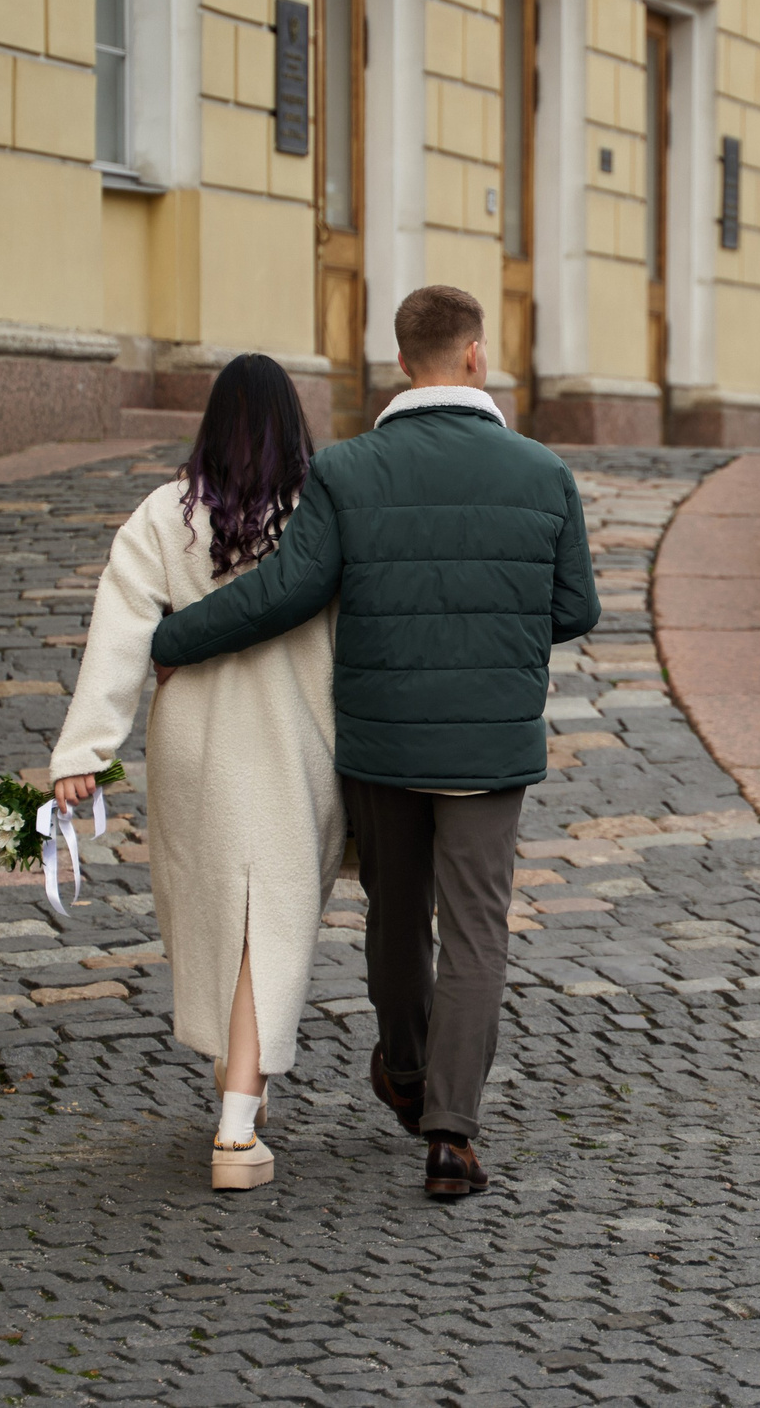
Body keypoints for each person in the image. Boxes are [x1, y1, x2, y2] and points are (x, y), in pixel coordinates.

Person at [150, 285, 599, 1200]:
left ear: (403, 362)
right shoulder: (542, 472)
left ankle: (401, 1062)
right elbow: (575, 607)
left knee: (397, 917)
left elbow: (284, 592)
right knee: (476, 930)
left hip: (383, 742)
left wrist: (172, 639)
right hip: (487, 749)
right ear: (477, 355)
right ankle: (451, 1133)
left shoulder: (348, 471)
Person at [48, 355, 342, 1193]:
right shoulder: (316, 511)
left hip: (195, 747)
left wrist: (85, 751)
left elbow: (118, 630)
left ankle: (235, 1079)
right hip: (292, 742)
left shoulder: (163, 514)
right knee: (270, 924)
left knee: (218, 914)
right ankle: (237, 1128)